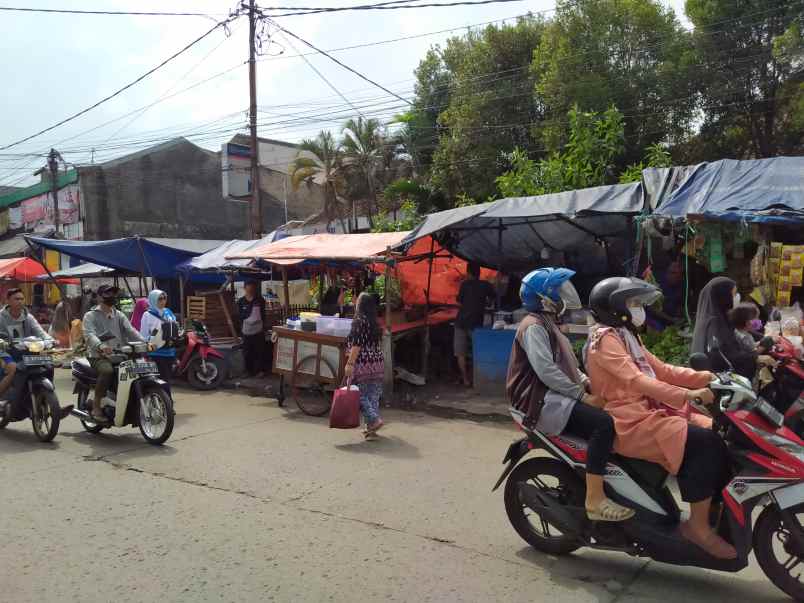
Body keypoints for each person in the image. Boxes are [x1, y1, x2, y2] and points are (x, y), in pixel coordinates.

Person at [585, 276, 735, 559]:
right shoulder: (604, 340)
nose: (639, 309)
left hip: (651, 410)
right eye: (633, 303)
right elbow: (637, 380)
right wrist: (687, 395)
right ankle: (697, 528)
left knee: (719, 433)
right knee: (702, 443)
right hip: (629, 420)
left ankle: (711, 511)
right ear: (616, 307)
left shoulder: (627, 336)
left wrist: (708, 377)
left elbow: (662, 370)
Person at [507, 268, 634, 521]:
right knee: (603, 424)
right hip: (539, 400)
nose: (565, 294)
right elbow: (546, 371)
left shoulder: (549, 324)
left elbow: (570, 367)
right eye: (558, 290)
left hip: (555, 396)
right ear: (545, 298)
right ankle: (595, 499)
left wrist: (589, 384)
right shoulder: (533, 327)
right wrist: (582, 395)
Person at [0, 288, 72, 419]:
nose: (20, 301)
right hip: (5, 351)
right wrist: (3, 343)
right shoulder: (1, 317)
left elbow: (41, 332)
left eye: (22, 299)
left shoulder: (28, 317)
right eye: (16, 299)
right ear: (8, 301)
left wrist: (51, 341)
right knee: (12, 368)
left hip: (26, 351)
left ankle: (50, 404)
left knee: (47, 364)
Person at [83, 285, 145, 422]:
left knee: (138, 368)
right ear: (99, 297)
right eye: (107, 294)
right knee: (107, 371)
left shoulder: (119, 315)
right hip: (98, 356)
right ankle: (96, 405)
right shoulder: (90, 315)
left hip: (119, 354)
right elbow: (89, 335)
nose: (112, 296)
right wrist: (101, 346)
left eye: (113, 293)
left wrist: (146, 342)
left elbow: (131, 331)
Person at [691, 276, 759, 379]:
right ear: (723, 296)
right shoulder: (714, 324)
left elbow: (738, 332)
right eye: (734, 294)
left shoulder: (720, 318)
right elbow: (725, 355)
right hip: (720, 379)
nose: (737, 297)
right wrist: (755, 356)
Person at [345, 292, 385, 440]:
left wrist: (350, 363)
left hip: (363, 362)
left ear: (361, 305)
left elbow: (357, 345)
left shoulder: (359, 321)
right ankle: (371, 430)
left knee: (357, 394)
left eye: (357, 300)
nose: (355, 302)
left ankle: (374, 420)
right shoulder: (374, 322)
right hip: (377, 362)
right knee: (372, 396)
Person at [454, 262, 495, 386]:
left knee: (460, 353)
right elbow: (494, 297)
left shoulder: (464, 285)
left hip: (460, 322)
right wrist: (486, 303)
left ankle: (465, 379)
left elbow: (459, 301)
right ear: (479, 272)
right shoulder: (485, 285)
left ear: (468, 273)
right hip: (475, 323)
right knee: (477, 351)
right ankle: (477, 378)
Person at [139, 290, 178, 394]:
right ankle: (166, 400)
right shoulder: (147, 315)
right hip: (156, 352)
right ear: (153, 300)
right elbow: (143, 335)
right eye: (160, 299)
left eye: (164, 298)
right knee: (162, 379)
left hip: (170, 351)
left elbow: (174, 326)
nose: (163, 301)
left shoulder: (168, 312)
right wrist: (153, 339)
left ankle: (165, 399)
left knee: (167, 378)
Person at [237, 280, 266, 378]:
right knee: (247, 352)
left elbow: (263, 314)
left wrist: (263, 327)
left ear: (255, 289)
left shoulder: (260, 300)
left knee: (259, 351)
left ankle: (259, 371)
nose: (250, 291)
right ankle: (248, 371)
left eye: (252, 289)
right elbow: (239, 316)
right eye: (248, 289)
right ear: (245, 288)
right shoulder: (241, 301)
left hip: (258, 330)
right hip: (246, 331)